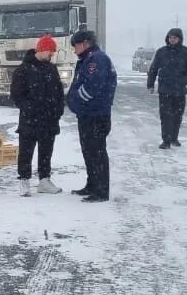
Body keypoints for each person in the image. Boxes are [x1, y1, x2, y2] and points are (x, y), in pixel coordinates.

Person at [11, 35, 65, 196]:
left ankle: (44, 180)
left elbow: (59, 92)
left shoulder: (51, 68)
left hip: (49, 119)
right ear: (42, 49)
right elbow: (17, 95)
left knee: (46, 151)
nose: (52, 55)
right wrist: (30, 109)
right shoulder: (23, 70)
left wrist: (58, 110)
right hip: (30, 119)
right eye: (51, 51)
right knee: (26, 151)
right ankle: (24, 181)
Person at [67, 30, 117, 203]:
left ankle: (101, 191)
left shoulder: (97, 60)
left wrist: (77, 100)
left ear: (85, 43)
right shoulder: (86, 60)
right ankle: (92, 184)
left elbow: (92, 87)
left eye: (75, 45)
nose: (74, 49)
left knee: (97, 152)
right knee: (88, 151)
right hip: (87, 114)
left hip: (96, 114)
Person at [147, 27, 187, 149]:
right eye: (170, 37)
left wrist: (183, 81)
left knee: (177, 115)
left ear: (179, 39)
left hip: (179, 91)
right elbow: (153, 69)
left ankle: (174, 138)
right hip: (165, 90)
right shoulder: (161, 52)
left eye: (174, 37)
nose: (172, 39)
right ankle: (166, 140)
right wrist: (150, 84)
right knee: (165, 116)